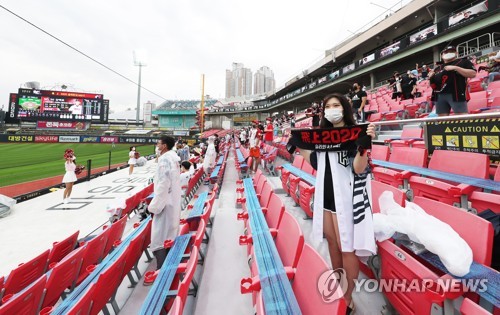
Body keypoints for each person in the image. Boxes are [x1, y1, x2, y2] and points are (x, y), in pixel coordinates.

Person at [296, 93, 376, 313]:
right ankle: (338, 284)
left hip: (348, 198)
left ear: (345, 109)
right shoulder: (322, 136)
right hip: (327, 196)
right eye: (328, 106)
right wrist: (298, 143)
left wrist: (363, 146)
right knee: (332, 242)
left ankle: (347, 297)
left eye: (336, 105)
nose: (332, 109)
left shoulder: (355, 132)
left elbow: (359, 169)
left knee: (346, 246)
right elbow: (315, 162)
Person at [147, 135, 181, 270]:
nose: (157, 145)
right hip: (172, 200)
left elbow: (163, 183)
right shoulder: (172, 158)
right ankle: (166, 266)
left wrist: (154, 207)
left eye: (158, 143)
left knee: (158, 238)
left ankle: (162, 270)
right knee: (168, 234)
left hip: (165, 203)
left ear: (164, 146)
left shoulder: (165, 160)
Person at [428, 46, 476, 116]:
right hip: (439, 96)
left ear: (456, 53)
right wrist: (431, 77)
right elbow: (433, 85)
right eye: (446, 52)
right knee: (442, 121)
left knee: (462, 119)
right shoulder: (437, 68)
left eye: (451, 51)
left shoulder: (463, 62)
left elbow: (473, 74)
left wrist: (456, 68)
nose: (449, 53)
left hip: (456, 94)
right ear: (442, 55)